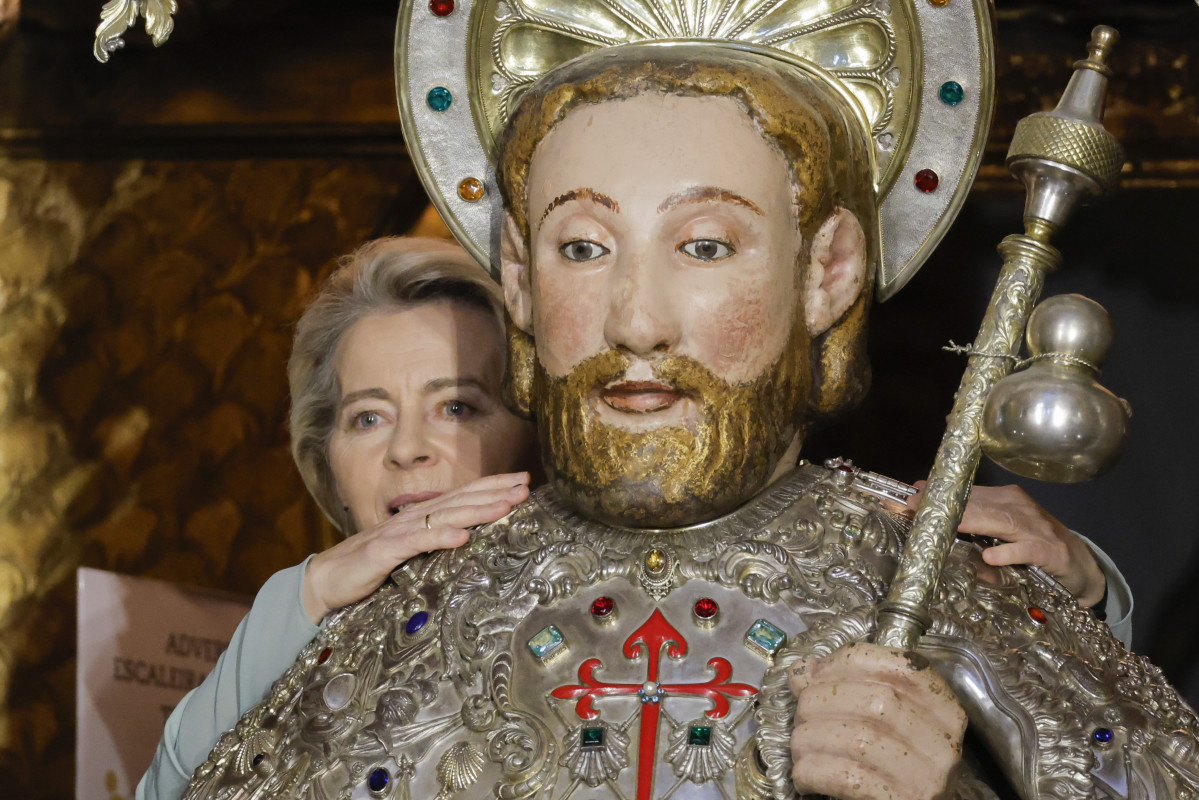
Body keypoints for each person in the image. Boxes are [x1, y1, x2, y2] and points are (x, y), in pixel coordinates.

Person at [182, 45, 1190, 800]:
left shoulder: (938, 583)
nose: (635, 320)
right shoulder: (396, 623)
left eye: (704, 246)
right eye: (582, 247)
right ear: (521, 281)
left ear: (826, 271)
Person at [136, 237, 537, 800]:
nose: (407, 449)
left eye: (456, 407)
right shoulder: (299, 625)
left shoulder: (599, 618)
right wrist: (310, 589)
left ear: (536, 430)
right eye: (368, 417)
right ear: (328, 461)